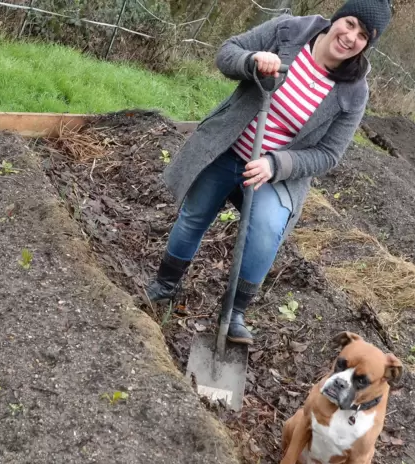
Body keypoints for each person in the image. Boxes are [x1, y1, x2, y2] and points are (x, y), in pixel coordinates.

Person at [146, 0, 392, 345]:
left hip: (274, 175)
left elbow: (328, 155)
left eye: (363, 35)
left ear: (368, 45)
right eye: (349, 24)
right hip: (228, 147)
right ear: (337, 18)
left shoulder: (354, 91)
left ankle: (233, 314)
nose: (350, 37)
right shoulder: (288, 30)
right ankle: (165, 285)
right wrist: (251, 62)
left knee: (265, 230)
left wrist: (276, 164)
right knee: (194, 214)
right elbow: (226, 53)